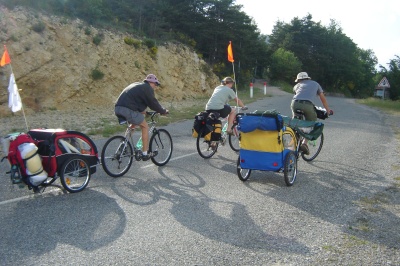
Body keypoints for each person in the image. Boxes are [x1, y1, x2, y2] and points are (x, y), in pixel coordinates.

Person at [114, 74, 169, 161]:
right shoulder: (147, 88)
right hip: (127, 109)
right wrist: (163, 111)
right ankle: (145, 153)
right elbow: (153, 103)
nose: (155, 87)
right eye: (155, 84)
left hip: (118, 108)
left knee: (134, 123)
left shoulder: (137, 85)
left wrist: (145, 112)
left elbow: (134, 104)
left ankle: (124, 145)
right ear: (150, 82)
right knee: (145, 126)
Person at [291, 72, 333, 154]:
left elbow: (298, 95)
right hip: (307, 105)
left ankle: (294, 139)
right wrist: (328, 111)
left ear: (299, 80)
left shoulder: (296, 85)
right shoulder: (315, 84)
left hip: (294, 104)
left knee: (295, 121)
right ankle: (304, 143)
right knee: (311, 122)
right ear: (307, 78)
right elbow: (322, 99)